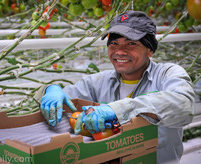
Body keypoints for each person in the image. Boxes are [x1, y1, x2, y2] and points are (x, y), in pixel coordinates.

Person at [34, 10, 195, 164]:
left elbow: (183, 105)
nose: (119, 51)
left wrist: (117, 110)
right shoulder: (99, 82)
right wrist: (49, 90)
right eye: (114, 44)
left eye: (131, 44)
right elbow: (63, 98)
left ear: (150, 49)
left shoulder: (167, 74)